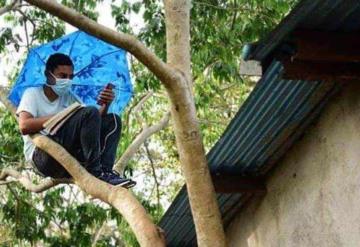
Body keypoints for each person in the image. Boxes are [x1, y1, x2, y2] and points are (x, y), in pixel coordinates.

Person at [16, 53, 135, 188]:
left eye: (70, 77)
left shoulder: (69, 97)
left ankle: (106, 172)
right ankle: (95, 174)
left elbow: (90, 122)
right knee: (89, 112)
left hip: (69, 157)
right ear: (48, 75)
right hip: (43, 157)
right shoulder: (32, 94)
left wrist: (105, 104)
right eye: (62, 76)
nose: (67, 80)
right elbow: (24, 125)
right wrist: (60, 116)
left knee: (113, 120)